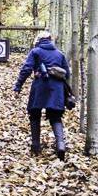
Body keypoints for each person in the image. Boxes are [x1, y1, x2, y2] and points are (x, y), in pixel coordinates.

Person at [13, 31, 70, 160]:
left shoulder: (36, 52)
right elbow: (67, 74)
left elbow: (26, 69)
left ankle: (36, 145)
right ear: (50, 40)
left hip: (40, 86)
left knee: (34, 114)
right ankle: (60, 145)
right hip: (56, 89)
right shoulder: (60, 54)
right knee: (55, 116)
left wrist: (18, 87)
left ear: (39, 40)